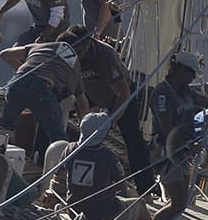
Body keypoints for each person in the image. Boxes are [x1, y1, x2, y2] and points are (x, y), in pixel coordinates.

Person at [62, 24, 152, 192]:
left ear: (88, 43)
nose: (77, 57)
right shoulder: (69, 51)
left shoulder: (105, 55)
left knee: (134, 140)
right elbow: (78, 94)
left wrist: (111, 121)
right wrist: (84, 121)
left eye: (80, 52)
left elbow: (123, 92)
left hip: (117, 95)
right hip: (88, 91)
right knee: (73, 128)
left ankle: (146, 187)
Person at [130, 51, 202, 220]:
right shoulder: (163, 92)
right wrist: (187, 147)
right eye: (191, 73)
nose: (193, 78)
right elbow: (166, 126)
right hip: (166, 153)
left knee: (179, 202)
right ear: (179, 69)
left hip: (181, 153)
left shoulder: (186, 92)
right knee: (178, 203)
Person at [0, 41, 89, 164]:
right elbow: (82, 102)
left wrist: (26, 70)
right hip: (40, 89)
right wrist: (87, 128)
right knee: (58, 138)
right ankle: (58, 170)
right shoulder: (75, 63)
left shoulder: (40, 46)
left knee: (4, 129)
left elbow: (5, 54)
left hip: (16, 83)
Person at [66, 112, 126, 220]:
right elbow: (122, 185)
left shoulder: (70, 149)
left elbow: (59, 175)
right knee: (137, 205)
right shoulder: (108, 155)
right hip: (101, 213)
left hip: (73, 210)